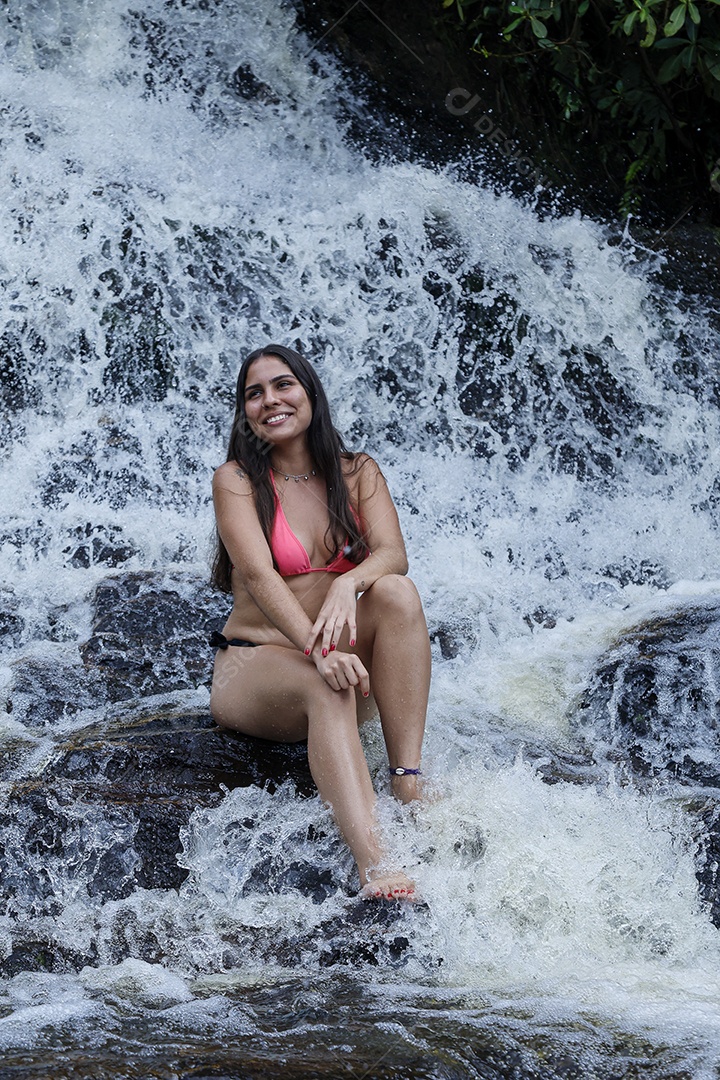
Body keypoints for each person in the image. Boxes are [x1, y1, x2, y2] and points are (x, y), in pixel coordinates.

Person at [209, 344, 431, 901]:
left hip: (338, 653)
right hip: (254, 666)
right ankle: (374, 862)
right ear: (245, 413)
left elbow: (393, 555)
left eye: (283, 385)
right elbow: (260, 577)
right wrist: (318, 649)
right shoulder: (237, 480)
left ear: (309, 392)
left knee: (398, 593)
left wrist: (345, 581)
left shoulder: (357, 472)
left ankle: (407, 780)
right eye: (254, 393)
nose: (270, 401)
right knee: (322, 680)